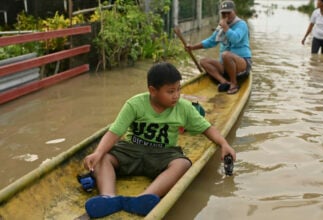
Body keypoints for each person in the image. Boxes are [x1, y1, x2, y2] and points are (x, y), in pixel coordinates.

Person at [82, 62, 236, 218]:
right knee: (102, 158)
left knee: (183, 163)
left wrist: (224, 144)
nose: (176, 95)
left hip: (162, 154)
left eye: (178, 89)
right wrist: (98, 153)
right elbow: (114, 132)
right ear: (152, 90)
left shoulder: (184, 107)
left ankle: (144, 198)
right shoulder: (135, 104)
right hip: (131, 149)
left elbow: (207, 128)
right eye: (170, 91)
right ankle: (108, 197)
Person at [186, 0, 252, 95]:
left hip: (242, 64)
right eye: (223, 13)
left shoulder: (241, 25)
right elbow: (211, 41)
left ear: (235, 12)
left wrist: (226, 28)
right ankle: (224, 81)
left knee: (226, 55)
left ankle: (234, 83)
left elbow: (235, 39)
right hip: (226, 65)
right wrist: (192, 47)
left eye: (229, 13)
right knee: (204, 61)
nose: (226, 15)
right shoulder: (221, 27)